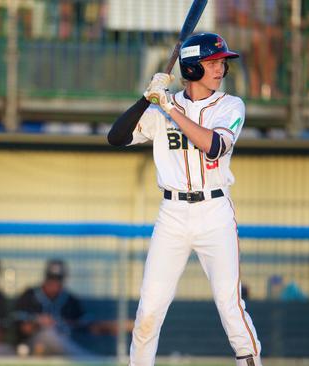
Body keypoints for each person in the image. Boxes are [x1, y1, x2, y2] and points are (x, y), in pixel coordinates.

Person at [107, 32, 262, 366]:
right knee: (148, 311)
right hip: (173, 213)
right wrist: (146, 99)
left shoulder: (231, 105)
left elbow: (215, 145)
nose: (221, 68)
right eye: (212, 62)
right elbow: (116, 137)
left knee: (230, 307)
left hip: (214, 211)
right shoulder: (164, 105)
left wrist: (168, 108)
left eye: (222, 62)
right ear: (191, 69)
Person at [13, 259, 91, 357]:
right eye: (51, 279)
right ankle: (86, 360)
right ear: (46, 278)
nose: (54, 283)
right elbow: (22, 327)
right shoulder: (29, 295)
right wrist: (37, 321)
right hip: (33, 346)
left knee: (56, 337)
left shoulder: (70, 299)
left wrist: (62, 322)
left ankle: (85, 359)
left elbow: (85, 325)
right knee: (49, 334)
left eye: (58, 279)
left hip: (63, 345)